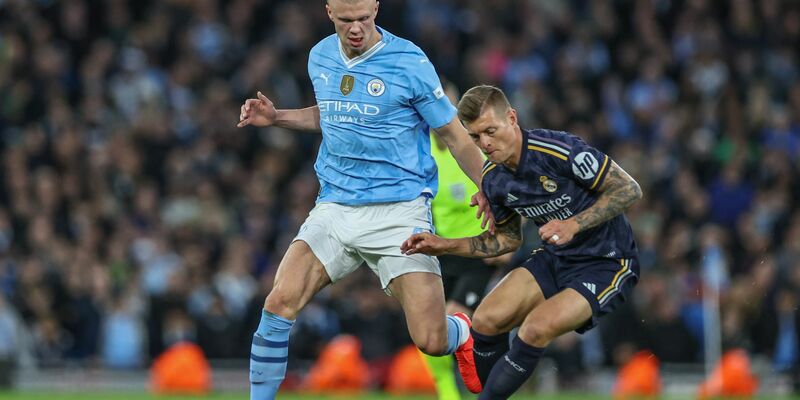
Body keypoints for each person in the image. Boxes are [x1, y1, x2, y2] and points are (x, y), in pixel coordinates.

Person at [236, 1, 491, 399]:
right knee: (279, 301)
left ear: (375, 8)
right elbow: (333, 113)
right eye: (345, 21)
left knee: (430, 339)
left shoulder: (409, 61)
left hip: (400, 210)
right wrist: (279, 117)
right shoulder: (319, 55)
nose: (355, 29)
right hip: (335, 206)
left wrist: (488, 189)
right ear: (328, 12)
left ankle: (461, 331)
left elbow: (455, 135)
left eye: (363, 20)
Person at [402, 85, 643, 399]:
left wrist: (574, 223)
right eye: (475, 137)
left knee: (534, 328)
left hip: (606, 261)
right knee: (486, 321)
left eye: (490, 131)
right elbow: (506, 240)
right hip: (556, 258)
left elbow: (629, 189)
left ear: (512, 118)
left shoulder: (557, 150)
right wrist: (443, 244)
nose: (485, 144)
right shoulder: (494, 178)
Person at [423, 82, 500, 400]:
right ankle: (446, 390)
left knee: (453, 315)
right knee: (426, 325)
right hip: (437, 251)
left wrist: (506, 235)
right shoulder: (420, 147)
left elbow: (504, 187)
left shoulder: (474, 147)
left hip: (476, 250)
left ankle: (479, 383)